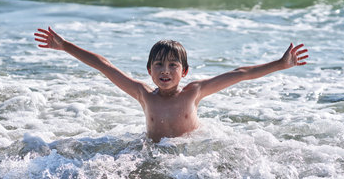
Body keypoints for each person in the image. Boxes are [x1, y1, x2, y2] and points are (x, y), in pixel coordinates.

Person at [34, 27, 309, 142]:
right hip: (156, 153)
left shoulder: (194, 91)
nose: (165, 71)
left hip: (190, 153)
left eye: (173, 65)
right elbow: (104, 65)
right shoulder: (143, 94)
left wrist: (280, 64)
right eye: (158, 65)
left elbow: (241, 73)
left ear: (185, 71)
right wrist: (64, 45)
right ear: (149, 70)